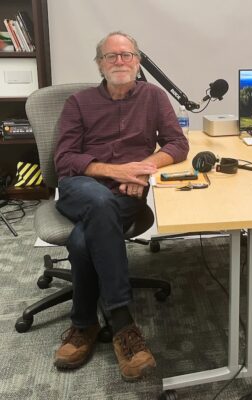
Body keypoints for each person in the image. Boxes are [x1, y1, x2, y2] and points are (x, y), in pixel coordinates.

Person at [53, 31, 189, 381]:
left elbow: (177, 143)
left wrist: (143, 169)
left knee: (82, 242)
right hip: (81, 187)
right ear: (99, 64)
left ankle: (83, 324)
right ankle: (122, 324)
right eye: (111, 56)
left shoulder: (154, 97)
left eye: (127, 55)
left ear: (138, 60)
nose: (120, 61)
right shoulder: (78, 103)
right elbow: (64, 159)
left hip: (128, 192)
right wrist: (116, 170)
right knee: (99, 199)